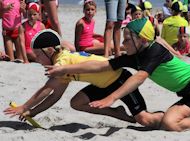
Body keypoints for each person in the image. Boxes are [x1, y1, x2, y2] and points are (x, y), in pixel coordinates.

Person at [45, 18, 190, 131]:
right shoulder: (133, 57)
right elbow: (100, 65)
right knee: (169, 123)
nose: (123, 44)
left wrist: (111, 98)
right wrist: (65, 70)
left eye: (127, 39)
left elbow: (139, 77)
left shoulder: (155, 50)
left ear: (142, 39)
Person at [4, 29, 165, 128]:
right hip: (102, 85)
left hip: (120, 80)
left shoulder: (62, 63)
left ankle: (168, 117)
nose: (37, 59)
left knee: (143, 119)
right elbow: (55, 96)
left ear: (50, 50)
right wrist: (33, 112)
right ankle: (117, 113)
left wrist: (24, 107)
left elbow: (46, 90)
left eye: (39, 55)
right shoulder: (60, 62)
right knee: (76, 103)